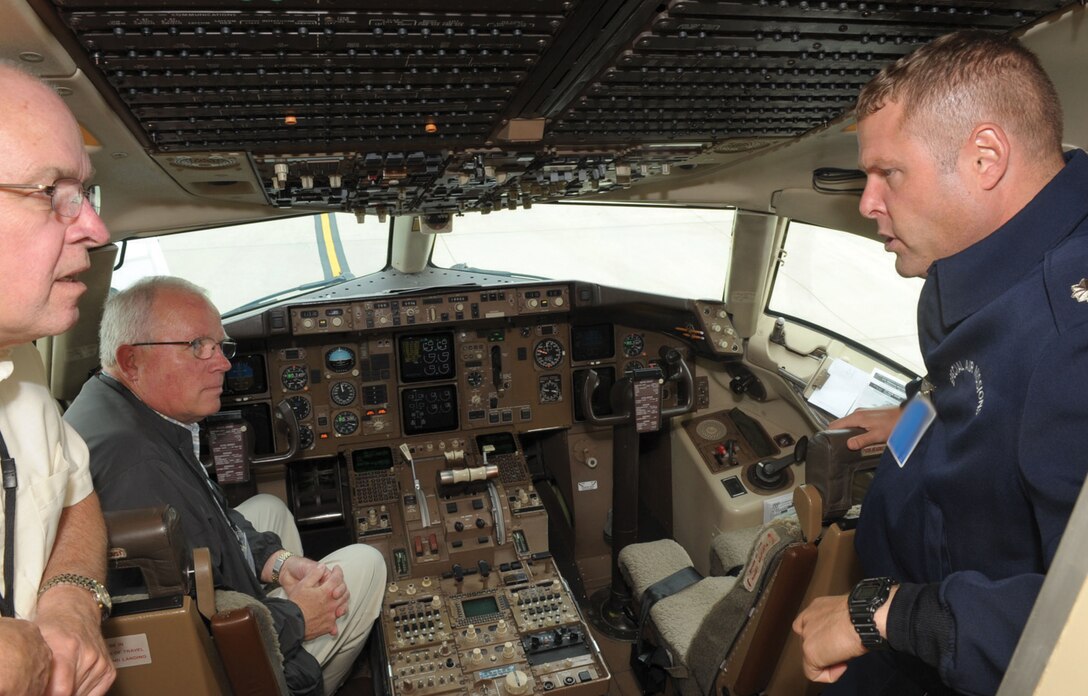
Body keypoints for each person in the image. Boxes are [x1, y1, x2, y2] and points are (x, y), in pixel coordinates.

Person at [792, 30, 1088, 695]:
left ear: (985, 156)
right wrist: (916, 415)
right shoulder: (969, 271)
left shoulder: (1074, 338)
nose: (868, 204)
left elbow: (1076, 632)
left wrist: (882, 616)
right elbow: (987, 391)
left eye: (888, 174)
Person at [64, 276, 386, 696]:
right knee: (367, 562)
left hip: (208, 593)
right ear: (132, 361)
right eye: (198, 346)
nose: (223, 363)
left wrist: (280, 561)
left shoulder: (117, 407)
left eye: (220, 345)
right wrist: (297, 615)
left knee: (270, 509)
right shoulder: (138, 467)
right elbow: (199, 639)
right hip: (221, 662)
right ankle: (308, 682)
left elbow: (208, 513)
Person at [0, 62, 117, 696]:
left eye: (86, 194)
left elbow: (75, 498)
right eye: (56, 193)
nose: (97, 230)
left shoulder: (20, 377)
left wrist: (70, 598)